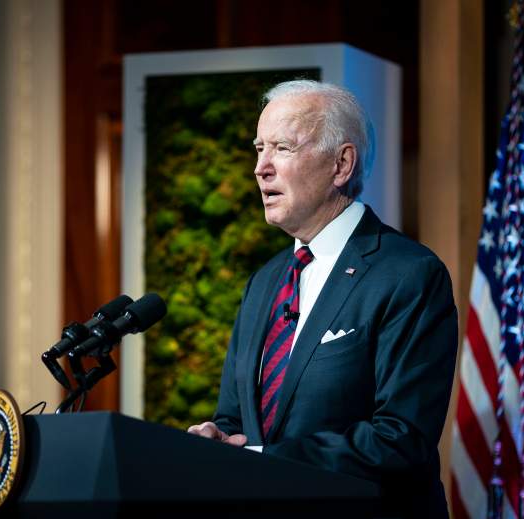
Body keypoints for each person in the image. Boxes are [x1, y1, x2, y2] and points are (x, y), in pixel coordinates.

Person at [187, 80, 458, 516]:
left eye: (282, 148)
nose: (261, 167)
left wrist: (259, 458)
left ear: (341, 164)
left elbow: (400, 439)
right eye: (259, 148)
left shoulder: (408, 274)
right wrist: (220, 441)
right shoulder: (264, 281)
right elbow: (236, 420)